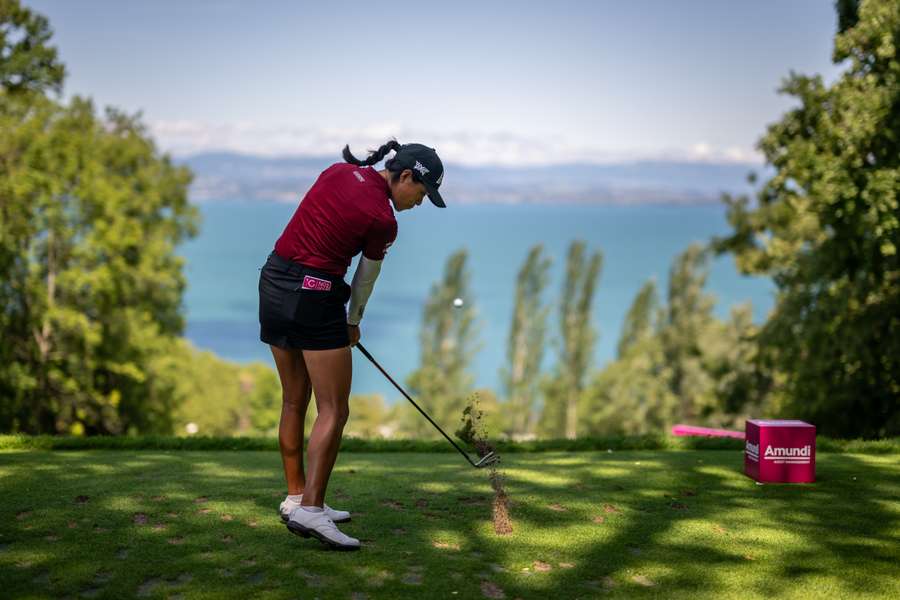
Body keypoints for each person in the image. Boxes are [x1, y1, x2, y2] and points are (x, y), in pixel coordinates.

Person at [257, 140, 446, 550]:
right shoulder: (383, 219)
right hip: (315, 296)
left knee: (294, 399)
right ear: (406, 176)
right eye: (422, 194)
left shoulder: (337, 171)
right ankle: (311, 507)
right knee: (334, 408)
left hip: (273, 283)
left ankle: (296, 498)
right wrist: (352, 323)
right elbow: (365, 280)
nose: (419, 203)